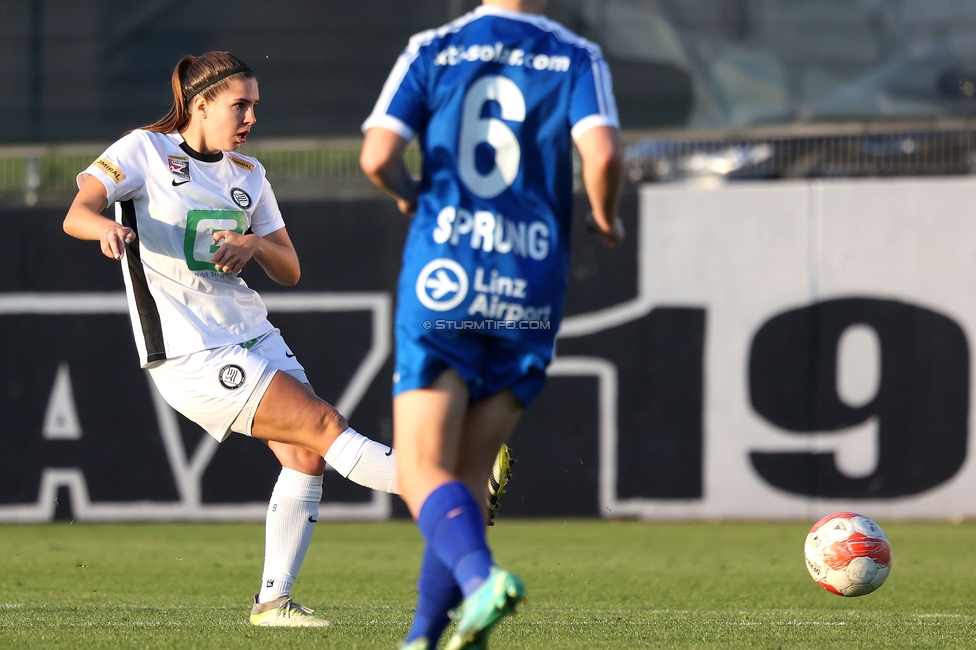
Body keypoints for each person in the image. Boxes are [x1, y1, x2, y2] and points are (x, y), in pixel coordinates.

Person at [62, 51, 405, 627]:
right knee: (325, 427)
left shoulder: (248, 175)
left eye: (255, 106)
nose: (249, 117)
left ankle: (273, 604)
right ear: (200, 105)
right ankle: (450, 484)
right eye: (238, 105)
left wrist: (255, 246)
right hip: (188, 349)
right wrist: (107, 227)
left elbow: (289, 269)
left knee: (306, 455)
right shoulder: (143, 149)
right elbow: (77, 211)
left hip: (252, 332)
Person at [360, 0, 624, 647]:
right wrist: (605, 214)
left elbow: (376, 155)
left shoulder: (433, 48)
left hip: (446, 270)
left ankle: (480, 584)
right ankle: (428, 635)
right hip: (530, 279)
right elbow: (605, 153)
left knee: (420, 468)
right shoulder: (576, 54)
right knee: (468, 473)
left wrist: (407, 189)